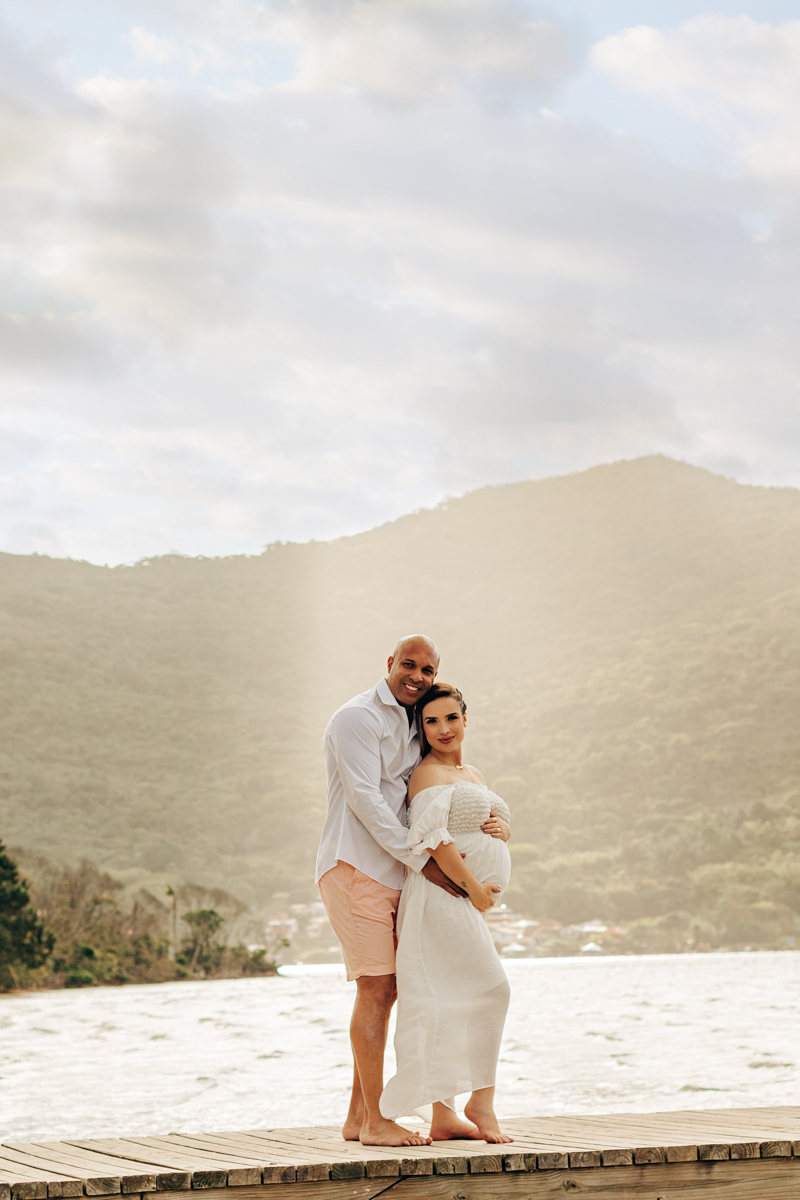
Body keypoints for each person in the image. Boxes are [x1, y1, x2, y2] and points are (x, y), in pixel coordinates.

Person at [315, 637, 510, 1147]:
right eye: (409, 665)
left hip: (397, 874)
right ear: (389, 664)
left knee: (394, 989)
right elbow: (365, 800)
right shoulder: (356, 718)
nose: (417, 675)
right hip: (357, 865)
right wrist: (425, 862)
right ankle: (377, 1123)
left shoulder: (412, 720)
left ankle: (362, 1118)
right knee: (376, 988)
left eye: (427, 669)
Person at [380, 682, 513, 1144]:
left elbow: (480, 822)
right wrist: (475, 888)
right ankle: (480, 1103)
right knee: (491, 989)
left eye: (450, 718)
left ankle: (444, 1114)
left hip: (462, 901)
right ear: (421, 727)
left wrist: (503, 829)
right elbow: (436, 839)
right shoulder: (426, 773)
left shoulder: (471, 773)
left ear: (464, 718)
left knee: (454, 997)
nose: (441, 728)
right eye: (430, 720)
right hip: (443, 895)